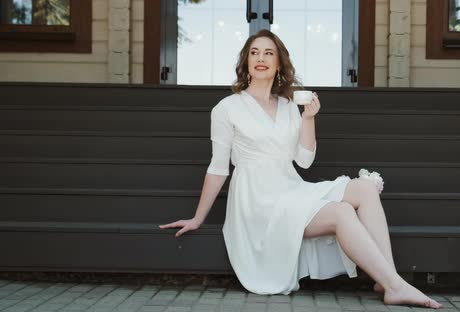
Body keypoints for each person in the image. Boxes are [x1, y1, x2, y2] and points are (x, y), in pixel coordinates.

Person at [160, 29, 442, 309]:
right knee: (341, 212)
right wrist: (198, 218)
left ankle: (387, 280)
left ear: (279, 63)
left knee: (365, 188)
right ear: (246, 62)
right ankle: (395, 286)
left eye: (269, 53)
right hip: (257, 200)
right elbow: (218, 168)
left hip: (289, 188)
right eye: (254, 53)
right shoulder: (226, 108)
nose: (261, 58)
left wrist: (309, 118)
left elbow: (304, 160)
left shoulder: (288, 106)